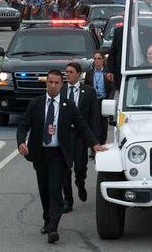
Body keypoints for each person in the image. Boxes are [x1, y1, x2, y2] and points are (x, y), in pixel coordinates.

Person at [16, 69, 106, 245]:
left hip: (59, 154)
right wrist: (21, 141)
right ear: (46, 83)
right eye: (50, 82)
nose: (53, 85)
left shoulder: (68, 105)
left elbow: (82, 126)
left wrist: (94, 144)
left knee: (55, 189)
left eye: (57, 83)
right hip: (40, 153)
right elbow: (23, 124)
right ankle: (47, 219)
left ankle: (53, 228)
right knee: (44, 190)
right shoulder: (36, 104)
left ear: (61, 84)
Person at [62, 62, 100, 208]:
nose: (68, 74)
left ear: (78, 74)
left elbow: (94, 117)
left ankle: (80, 183)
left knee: (79, 167)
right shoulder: (62, 90)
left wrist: (94, 140)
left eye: (71, 72)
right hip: (65, 136)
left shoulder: (89, 91)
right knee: (65, 169)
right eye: (66, 72)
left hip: (81, 136)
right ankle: (68, 200)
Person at [84, 50, 112, 145]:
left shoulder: (108, 73)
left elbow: (112, 88)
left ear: (103, 60)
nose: (97, 61)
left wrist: (109, 99)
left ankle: (102, 143)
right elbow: (86, 87)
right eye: (95, 59)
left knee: (103, 124)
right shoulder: (89, 73)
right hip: (93, 101)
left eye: (99, 58)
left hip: (104, 101)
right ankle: (94, 146)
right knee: (93, 124)